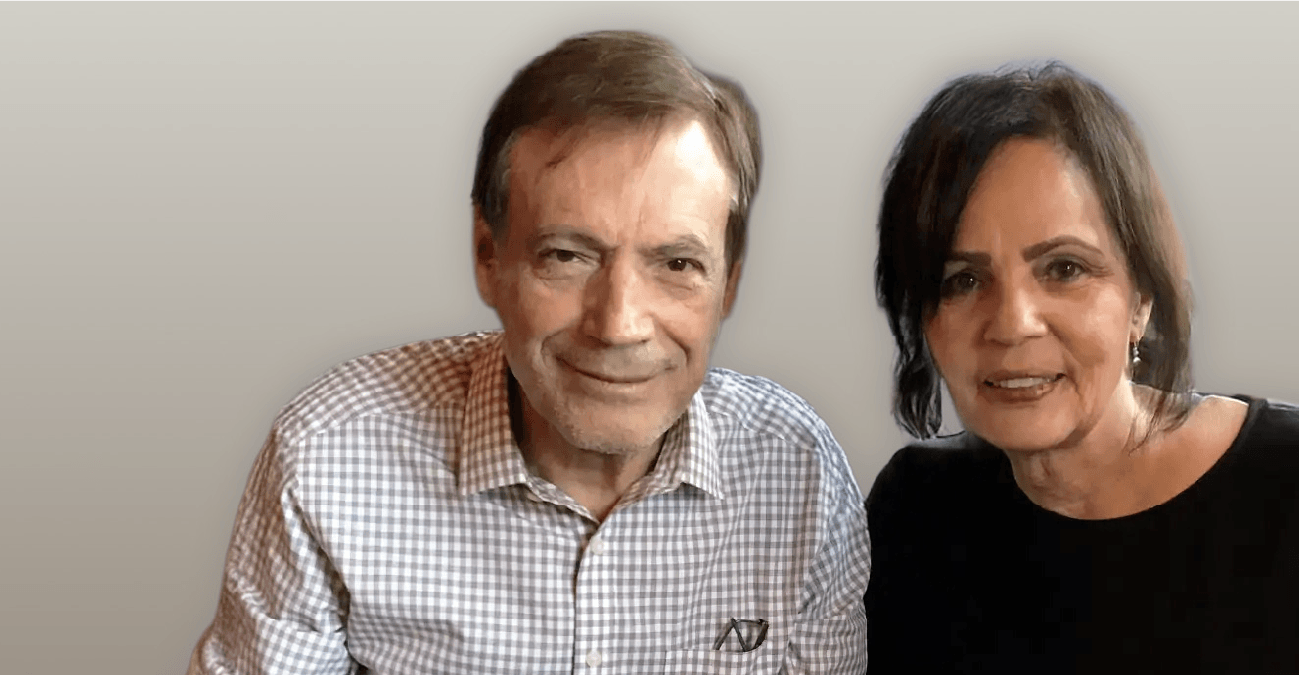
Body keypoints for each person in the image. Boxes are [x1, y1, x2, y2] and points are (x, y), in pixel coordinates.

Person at [189, 31, 868, 674]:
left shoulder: (798, 476)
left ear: (729, 286)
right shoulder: (330, 461)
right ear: (488, 257)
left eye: (677, 264)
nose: (618, 325)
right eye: (567, 255)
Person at [864, 62, 1299, 674]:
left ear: (1142, 297)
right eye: (963, 279)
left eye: (1064, 268)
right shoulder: (915, 518)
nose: (1012, 323)